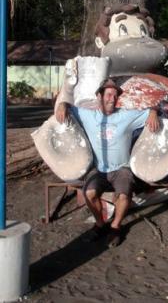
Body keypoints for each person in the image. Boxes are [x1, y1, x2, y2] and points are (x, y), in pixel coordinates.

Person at [55, 78, 159, 247]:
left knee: (124, 196)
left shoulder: (127, 115)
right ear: (99, 96)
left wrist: (153, 112)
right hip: (99, 169)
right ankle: (100, 224)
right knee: (89, 193)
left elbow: (151, 109)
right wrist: (62, 105)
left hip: (122, 168)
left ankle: (116, 227)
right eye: (109, 94)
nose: (113, 98)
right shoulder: (87, 115)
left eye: (116, 95)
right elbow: (67, 105)